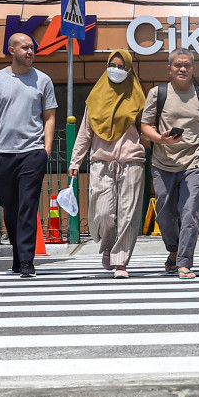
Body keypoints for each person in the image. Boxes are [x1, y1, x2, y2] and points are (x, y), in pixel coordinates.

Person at [0, 32, 57, 278]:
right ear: (11, 50)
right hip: (2, 154)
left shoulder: (43, 80)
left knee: (27, 206)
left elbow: (49, 117)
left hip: (32, 153)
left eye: (32, 48)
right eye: (24, 47)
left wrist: (45, 150)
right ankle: (18, 254)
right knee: (10, 207)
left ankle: (27, 260)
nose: (30, 52)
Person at [68, 49, 146, 279]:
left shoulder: (138, 98)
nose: (117, 70)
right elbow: (84, 132)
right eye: (113, 64)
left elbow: (147, 129)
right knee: (103, 213)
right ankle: (108, 246)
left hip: (132, 161)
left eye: (122, 66)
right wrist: (75, 160)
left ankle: (120, 262)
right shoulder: (95, 98)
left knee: (128, 215)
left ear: (130, 69)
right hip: (101, 161)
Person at [141, 47, 199, 280]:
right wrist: (160, 139)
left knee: (191, 211)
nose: (182, 69)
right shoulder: (158, 93)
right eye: (177, 65)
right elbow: (145, 127)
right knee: (164, 213)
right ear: (170, 68)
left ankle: (185, 262)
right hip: (163, 162)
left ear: (193, 68)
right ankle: (173, 250)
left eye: (186, 65)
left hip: (195, 161)